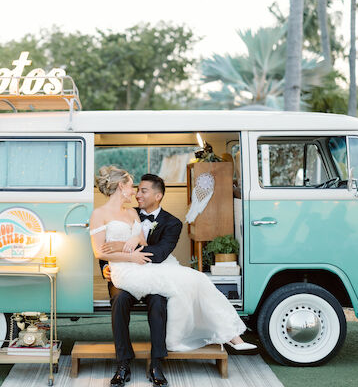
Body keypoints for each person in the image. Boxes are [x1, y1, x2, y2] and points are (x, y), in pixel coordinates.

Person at [90, 166, 256, 387]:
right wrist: (117, 260)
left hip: (147, 268)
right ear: (121, 186)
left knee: (178, 290)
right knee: (120, 299)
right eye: (133, 187)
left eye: (142, 190)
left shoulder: (157, 219)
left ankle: (158, 362)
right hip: (124, 272)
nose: (136, 193)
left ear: (157, 196)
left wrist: (128, 244)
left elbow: (146, 246)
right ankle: (123, 363)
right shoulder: (102, 214)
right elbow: (101, 251)